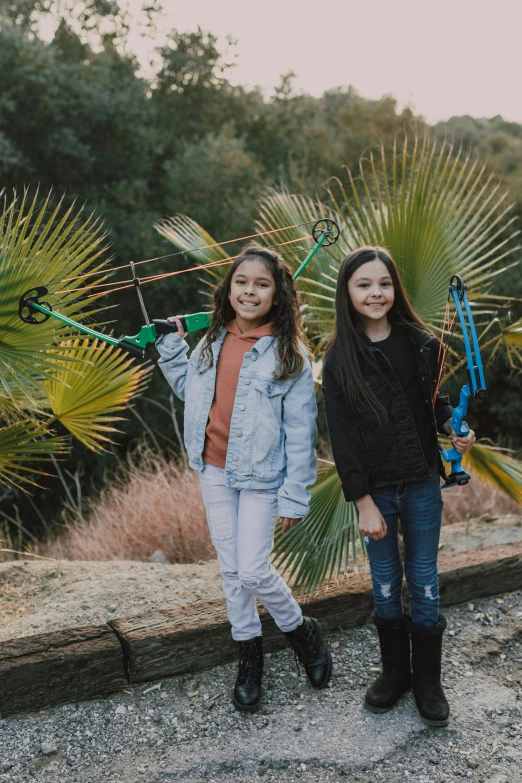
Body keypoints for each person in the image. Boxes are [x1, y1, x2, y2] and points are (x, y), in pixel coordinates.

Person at [157, 243, 332, 713]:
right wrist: (171, 349)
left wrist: (295, 496)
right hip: (213, 469)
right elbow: (190, 394)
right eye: (241, 282)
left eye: (261, 284)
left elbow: (301, 433)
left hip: (261, 478)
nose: (249, 291)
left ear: (277, 294)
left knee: (252, 569)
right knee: (232, 572)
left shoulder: (289, 353)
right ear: (228, 288)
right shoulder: (212, 339)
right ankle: (249, 656)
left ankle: (302, 632)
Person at [322, 246, 476, 727]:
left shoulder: (419, 342)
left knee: (425, 581)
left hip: (422, 483)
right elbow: (343, 442)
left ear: (395, 289)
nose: (375, 293)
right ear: (347, 292)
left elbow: (433, 402)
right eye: (364, 284)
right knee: (386, 584)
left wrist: (455, 426)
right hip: (377, 493)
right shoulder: (338, 360)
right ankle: (396, 674)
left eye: (384, 284)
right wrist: (363, 502)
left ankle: (428, 680)